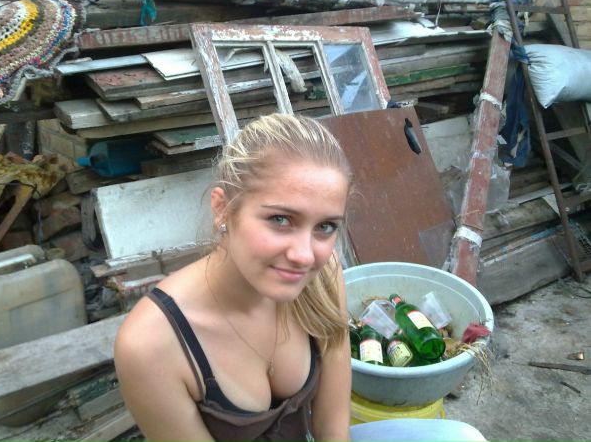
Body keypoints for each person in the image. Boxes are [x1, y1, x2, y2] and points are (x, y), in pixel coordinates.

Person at [114, 113, 487, 442]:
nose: (305, 256)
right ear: (223, 208)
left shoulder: (321, 278)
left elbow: (332, 431)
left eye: (325, 227)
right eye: (280, 219)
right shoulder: (152, 344)